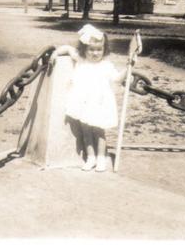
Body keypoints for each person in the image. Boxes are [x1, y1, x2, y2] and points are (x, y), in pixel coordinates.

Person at [51, 24, 134, 172]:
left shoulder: (106, 65)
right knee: (85, 130)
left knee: (98, 131)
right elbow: (68, 49)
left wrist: (128, 69)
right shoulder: (81, 60)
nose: (95, 53)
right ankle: (90, 157)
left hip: (99, 103)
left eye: (99, 49)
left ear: (104, 50)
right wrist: (56, 53)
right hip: (82, 102)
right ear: (84, 50)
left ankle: (101, 158)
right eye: (91, 49)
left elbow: (116, 79)